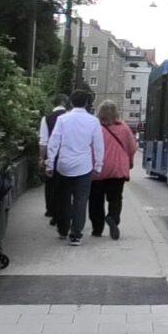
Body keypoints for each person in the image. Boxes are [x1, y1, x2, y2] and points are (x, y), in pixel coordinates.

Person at [47, 90, 104, 246]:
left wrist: (50, 163)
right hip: (84, 166)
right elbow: (98, 145)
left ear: (70, 102)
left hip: (64, 165)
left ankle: (63, 229)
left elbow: (54, 142)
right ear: (87, 103)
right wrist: (98, 165)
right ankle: (76, 234)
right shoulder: (93, 121)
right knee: (80, 201)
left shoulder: (62, 119)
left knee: (64, 199)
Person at [90, 101, 138, 240]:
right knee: (115, 198)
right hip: (118, 169)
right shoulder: (124, 128)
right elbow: (132, 147)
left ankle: (97, 229)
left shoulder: (95, 128)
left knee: (95, 200)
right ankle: (113, 218)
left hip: (98, 169)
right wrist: (129, 161)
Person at [38, 94, 69, 226]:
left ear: (53, 104)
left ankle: (50, 209)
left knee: (50, 184)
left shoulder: (46, 118)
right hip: (67, 155)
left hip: (52, 156)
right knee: (65, 185)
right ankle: (63, 210)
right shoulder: (69, 118)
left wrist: (41, 157)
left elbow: (43, 141)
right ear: (66, 104)